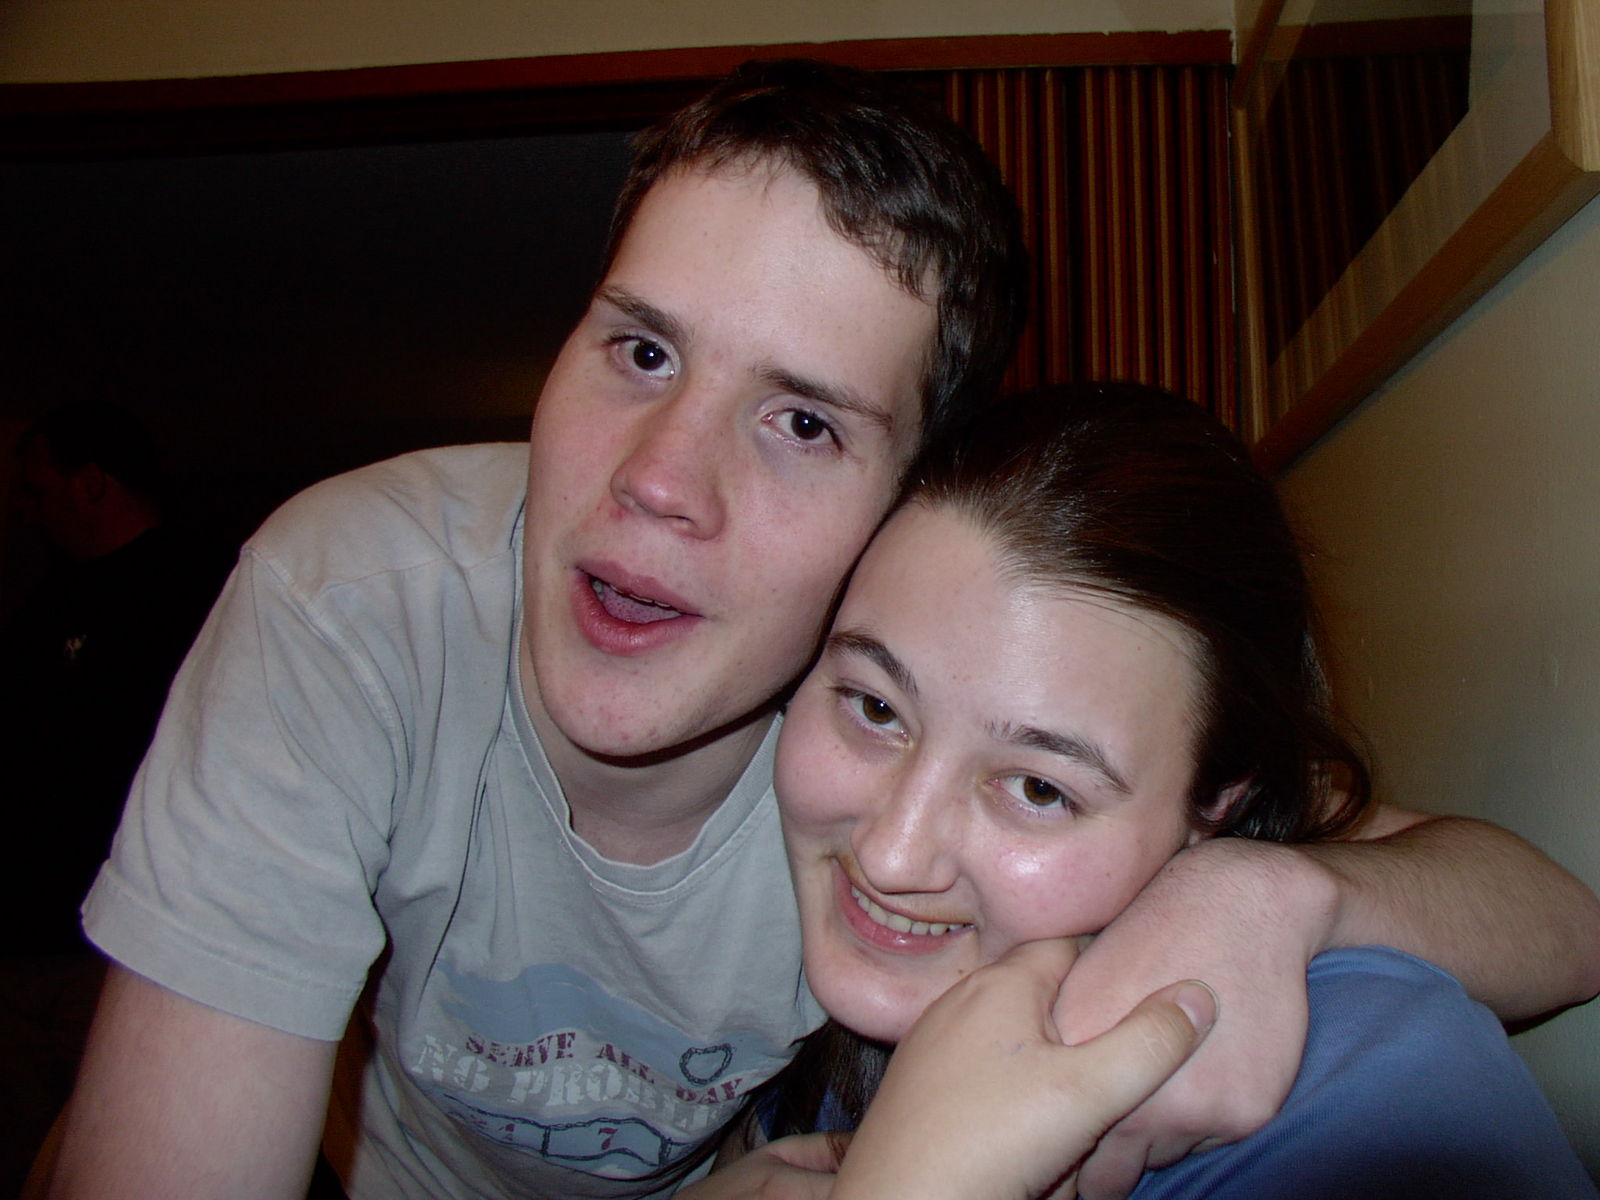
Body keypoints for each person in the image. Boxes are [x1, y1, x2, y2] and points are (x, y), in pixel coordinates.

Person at [40, 61, 1600, 1200]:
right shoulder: (357, 603)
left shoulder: (964, 719)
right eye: (641, 350)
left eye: (802, 422)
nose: (659, 481)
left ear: (900, 522)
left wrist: (1271, 896)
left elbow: (1546, 913)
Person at [697, 383, 1597, 1199]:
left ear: (1219, 806)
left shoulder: (1374, 1107)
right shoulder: (747, 853)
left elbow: (1564, 926)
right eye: (875, 707)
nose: (891, 854)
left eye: (1039, 789)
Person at [0, 400, 233, 1193]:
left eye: (37, 490)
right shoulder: (44, 601)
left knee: (127, 1153)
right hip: (27, 937)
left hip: (130, 948)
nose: (24, 512)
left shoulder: (207, 589)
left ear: (93, 483)